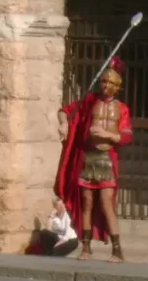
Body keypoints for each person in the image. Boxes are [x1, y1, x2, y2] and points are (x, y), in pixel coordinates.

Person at [53, 56, 133, 263]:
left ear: (118, 86)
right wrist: (64, 124)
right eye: (103, 81)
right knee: (86, 203)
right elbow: (64, 111)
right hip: (88, 156)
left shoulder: (122, 108)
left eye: (110, 83)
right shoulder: (89, 102)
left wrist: (108, 135)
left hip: (107, 158)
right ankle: (86, 248)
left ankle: (117, 251)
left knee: (107, 203)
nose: (106, 85)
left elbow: (125, 136)